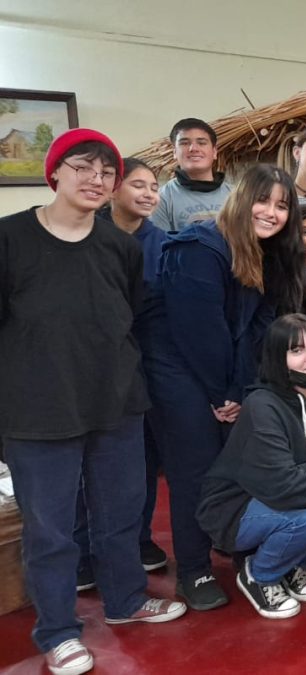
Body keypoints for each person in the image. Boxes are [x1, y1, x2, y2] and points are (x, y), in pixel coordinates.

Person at [1, 129, 186, 675]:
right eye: (82, 167)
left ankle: (126, 600)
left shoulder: (119, 246)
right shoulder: (10, 239)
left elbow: (124, 315)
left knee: (121, 514)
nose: (96, 180)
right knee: (51, 530)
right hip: (38, 413)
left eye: (106, 172)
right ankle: (58, 631)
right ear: (53, 172)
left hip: (115, 405)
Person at [148, 164, 306, 610]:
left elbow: (256, 327)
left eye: (282, 206)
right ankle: (194, 570)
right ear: (240, 200)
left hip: (222, 370)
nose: (272, 213)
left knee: (235, 467)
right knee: (193, 471)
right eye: (264, 200)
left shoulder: (265, 252)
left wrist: (240, 389)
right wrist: (223, 395)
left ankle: (235, 547)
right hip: (177, 370)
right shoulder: (198, 247)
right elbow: (199, 332)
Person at [197, 314, 306, 619]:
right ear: (277, 358)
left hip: (284, 493)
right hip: (235, 507)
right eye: (297, 350)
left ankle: (293, 566)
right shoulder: (262, 405)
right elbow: (284, 485)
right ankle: (260, 575)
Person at [76, 158, 171, 593]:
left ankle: (138, 538)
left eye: (155, 186)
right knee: (83, 463)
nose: (149, 193)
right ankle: (82, 551)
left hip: (146, 365)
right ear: (114, 189)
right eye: (139, 184)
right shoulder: (85, 234)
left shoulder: (163, 244)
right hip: (90, 366)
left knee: (142, 461)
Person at [152, 118, 232, 231]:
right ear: (174, 152)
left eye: (201, 143)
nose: (193, 148)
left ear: (214, 152)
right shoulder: (161, 199)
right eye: (185, 143)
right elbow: (158, 245)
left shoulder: (236, 195)